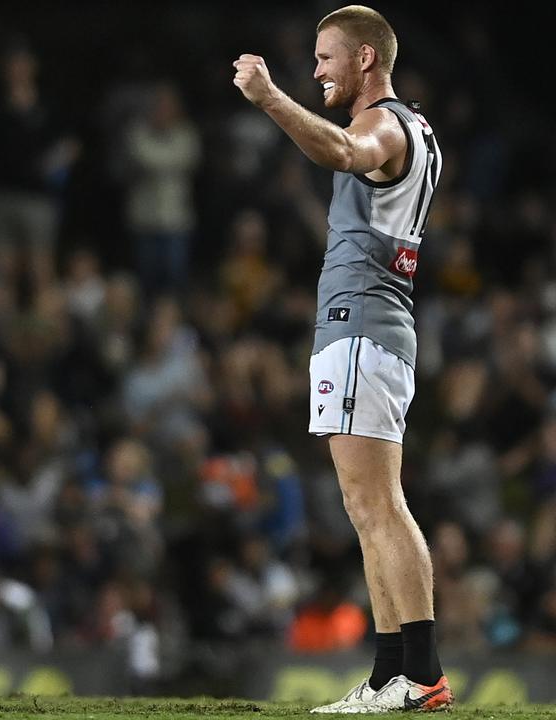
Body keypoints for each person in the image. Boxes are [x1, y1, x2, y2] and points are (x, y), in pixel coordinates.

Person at [233, 5, 448, 712]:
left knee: (379, 504)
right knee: (366, 506)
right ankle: (393, 674)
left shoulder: (383, 123)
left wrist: (270, 99)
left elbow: (347, 153)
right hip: (369, 327)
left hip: (364, 326)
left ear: (364, 59)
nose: (316, 68)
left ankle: (422, 673)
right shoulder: (418, 128)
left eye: (326, 57)